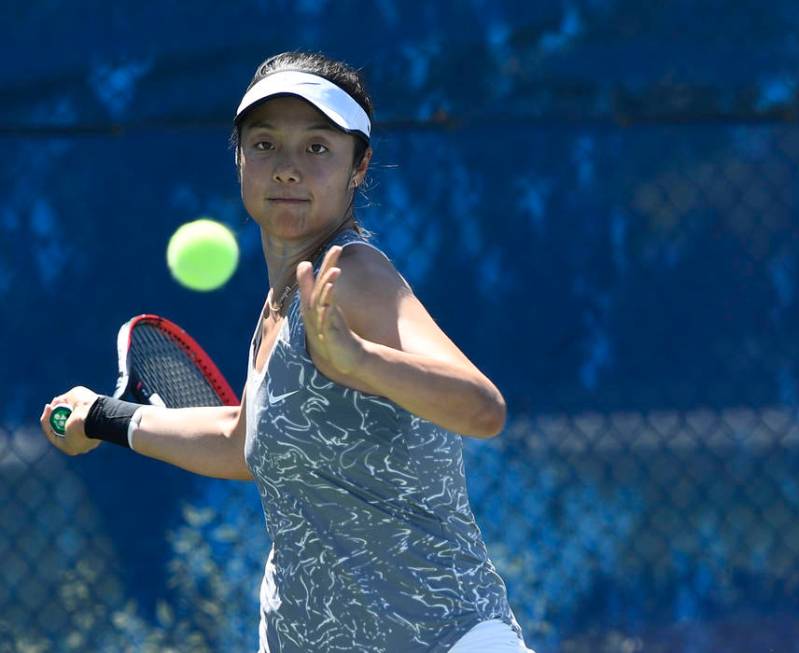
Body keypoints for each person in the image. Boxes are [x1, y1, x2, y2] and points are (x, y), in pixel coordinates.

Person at [39, 51, 534, 653]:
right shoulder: (279, 306)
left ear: (359, 166)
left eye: (318, 148)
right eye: (266, 144)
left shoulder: (351, 276)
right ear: (240, 159)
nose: (288, 169)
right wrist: (104, 418)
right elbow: (240, 440)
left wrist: (363, 363)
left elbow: (482, 409)